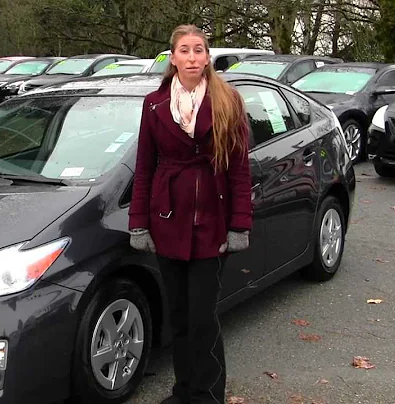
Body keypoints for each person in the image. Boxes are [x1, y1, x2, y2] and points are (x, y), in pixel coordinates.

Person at [128, 24, 253, 404]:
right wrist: (138, 223)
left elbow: (240, 170)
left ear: (208, 56)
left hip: (212, 224)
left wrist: (239, 225)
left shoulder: (228, 100)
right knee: (179, 318)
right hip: (167, 220)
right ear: (173, 56)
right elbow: (144, 167)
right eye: (185, 50)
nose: (193, 57)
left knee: (202, 318)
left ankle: (208, 394)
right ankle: (183, 391)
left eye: (199, 50)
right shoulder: (153, 103)